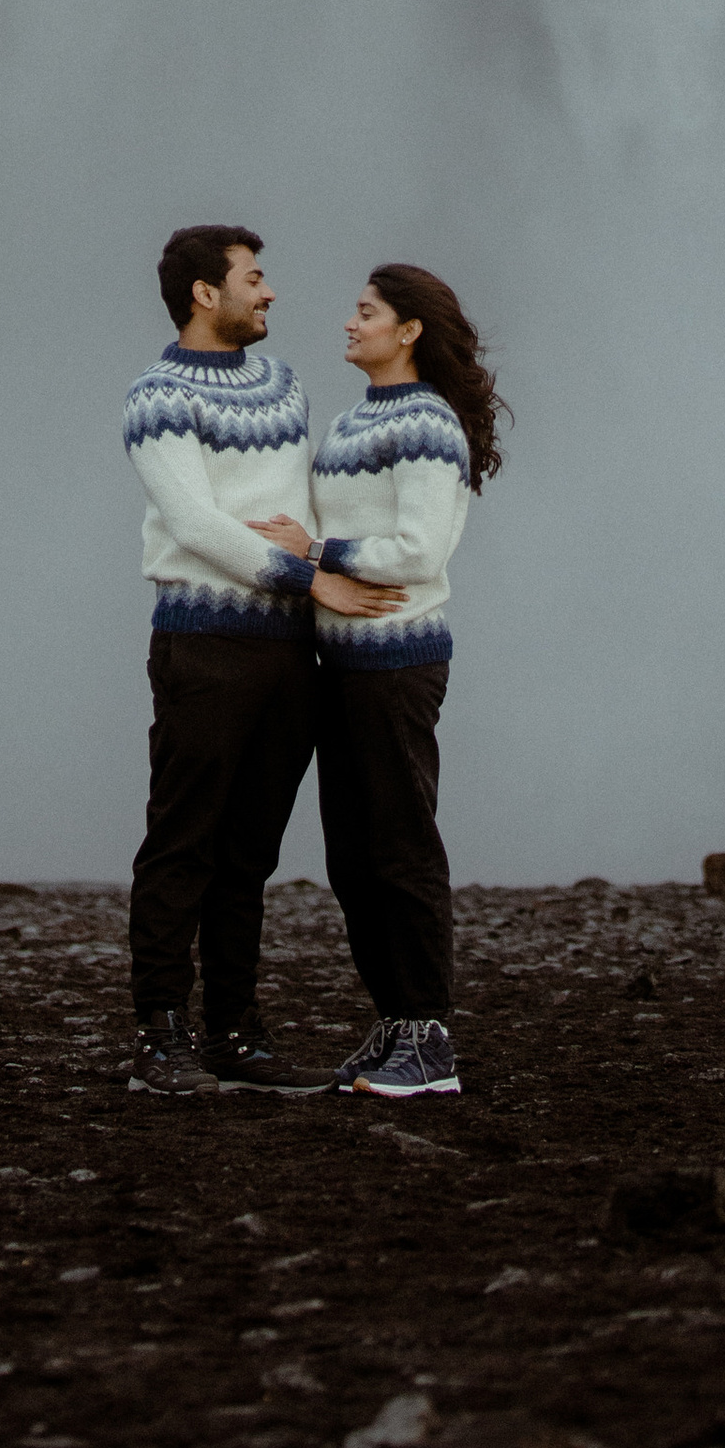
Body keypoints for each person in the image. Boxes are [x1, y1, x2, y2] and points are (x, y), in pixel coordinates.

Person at [122, 224, 404, 1095]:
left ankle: (233, 1035)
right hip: (204, 644)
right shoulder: (157, 397)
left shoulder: (284, 385)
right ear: (205, 294)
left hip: (288, 652)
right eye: (253, 277)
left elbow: (305, 504)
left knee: (249, 855)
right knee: (182, 844)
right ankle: (158, 1041)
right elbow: (195, 523)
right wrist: (313, 580)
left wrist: (354, 555)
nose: (270, 290)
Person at [252, 262, 507, 1098]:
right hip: (340, 664)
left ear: (409, 330)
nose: (350, 323)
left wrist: (318, 553)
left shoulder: (428, 424)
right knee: (352, 859)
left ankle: (431, 1040)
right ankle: (396, 1023)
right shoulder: (351, 422)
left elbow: (420, 552)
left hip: (399, 664)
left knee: (400, 848)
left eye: (366, 312)